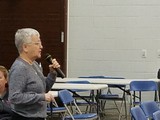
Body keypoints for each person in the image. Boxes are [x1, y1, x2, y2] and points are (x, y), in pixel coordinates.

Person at [9, 28, 60, 120]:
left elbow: (44, 88)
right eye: (37, 43)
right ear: (25, 47)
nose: (41, 47)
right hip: (24, 117)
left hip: (37, 116)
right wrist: (42, 97)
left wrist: (52, 73)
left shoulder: (34, 64)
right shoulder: (19, 68)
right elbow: (14, 97)